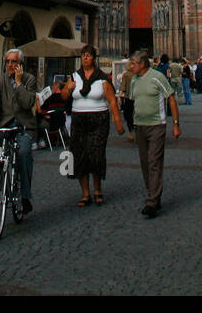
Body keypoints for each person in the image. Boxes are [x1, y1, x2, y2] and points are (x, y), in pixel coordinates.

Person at [61, 45, 124, 206]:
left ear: (94, 58)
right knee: (78, 155)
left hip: (99, 120)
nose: (85, 58)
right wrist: (68, 89)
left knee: (96, 153)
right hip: (78, 120)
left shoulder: (103, 78)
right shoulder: (74, 77)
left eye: (88, 56)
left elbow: (111, 100)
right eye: (83, 55)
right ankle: (85, 193)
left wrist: (118, 122)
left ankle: (97, 189)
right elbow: (63, 96)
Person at [0, 48, 37, 214]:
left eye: (14, 62)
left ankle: (25, 196)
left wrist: (19, 84)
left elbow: (27, 104)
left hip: (23, 126)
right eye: (8, 62)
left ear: (20, 64)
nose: (10, 65)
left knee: (24, 154)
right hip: (4, 125)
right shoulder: (0, 80)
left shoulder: (29, 80)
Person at [128, 49, 180, 218]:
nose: (130, 66)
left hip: (157, 125)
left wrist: (176, 125)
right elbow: (132, 102)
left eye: (133, 63)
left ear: (142, 64)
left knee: (154, 161)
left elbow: (171, 98)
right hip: (140, 126)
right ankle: (152, 194)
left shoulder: (158, 77)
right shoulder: (133, 81)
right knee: (145, 162)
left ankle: (152, 200)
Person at [118, 65, 135, 133]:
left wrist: (119, 96)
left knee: (128, 114)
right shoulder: (138, 73)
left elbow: (123, 85)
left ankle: (131, 130)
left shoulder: (126, 74)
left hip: (128, 96)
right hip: (137, 96)